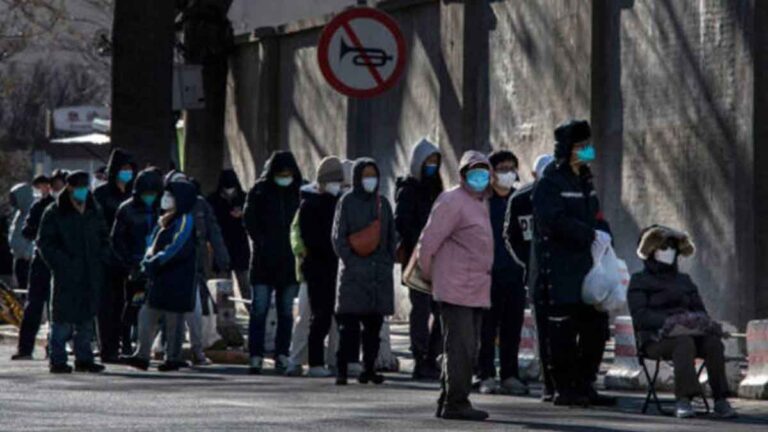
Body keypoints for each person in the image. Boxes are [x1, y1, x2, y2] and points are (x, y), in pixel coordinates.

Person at [532, 119, 615, 407]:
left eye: (589, 146)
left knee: (596, 327)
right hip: (561, 271)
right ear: (567, 149)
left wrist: (605, 236)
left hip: (589, 269)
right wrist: (587, 234)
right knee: (563, 332)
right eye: (582, 147)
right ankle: (564, 388)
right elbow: (552, 221)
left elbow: (597, 215)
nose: (588, 151)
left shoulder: (586, 181)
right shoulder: (550, 182)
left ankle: (586, 383)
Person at [628, 225, 737, 419]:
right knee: (683, 343)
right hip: (655, 339)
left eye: (672, 247)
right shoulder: (639, 280)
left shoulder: (684, 280)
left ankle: (721, 399)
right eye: (663, 247)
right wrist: (671, 321)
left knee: (713, 343)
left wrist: (696, 322)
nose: (668, 252)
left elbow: (700, 311)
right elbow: (640, 317)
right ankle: (683, 400)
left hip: (689, 333)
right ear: (651, 251)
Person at [418, 150, 493, 421]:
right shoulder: (452, 200)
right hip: (455, 287)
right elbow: (428, 242)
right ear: (462, 175)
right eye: (474, 171)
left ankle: (447, 397)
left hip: (474, 288)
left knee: (464, 347)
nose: (480, 177)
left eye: (484, 171)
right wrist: (430, 275)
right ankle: (456, 402)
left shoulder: (479, 202)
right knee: (461, 347)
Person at [332, 157, 396, 386]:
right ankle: (342, 369)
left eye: (374, 174)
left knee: (374, 327)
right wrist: (351, 260)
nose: (370, 179)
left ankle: (369, 368)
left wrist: (387, 261)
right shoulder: (346, 202)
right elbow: (338, 238)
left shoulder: (383, 203)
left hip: (378, 275)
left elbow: (391, 237)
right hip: (353, 275)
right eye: (366, 175)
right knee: (348, 327)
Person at [37, 171, 109, 374]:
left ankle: (84, 357)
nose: (83, 191)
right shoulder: (54, 212)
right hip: (66, 274)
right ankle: (57, 359)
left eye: (86, 187)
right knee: (62, 320)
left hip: (90, 272)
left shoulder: (94, 209)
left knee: (86, 319)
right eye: (79, 187)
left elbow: (104, 237)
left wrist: (102, 257)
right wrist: (63, 264)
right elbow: (45, 244)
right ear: (69, 188)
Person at [124, 180, 198, 372]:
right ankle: (142, 355)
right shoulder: (165, 219)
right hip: (159, 278)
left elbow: (176, 247)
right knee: (146, 316)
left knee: (174, 322)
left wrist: (155, 261)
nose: (165, 199)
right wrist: (147, 261)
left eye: (170, 195)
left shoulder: (185, 220)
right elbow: (152, 243)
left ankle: (173, 357)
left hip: (176, 279)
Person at [244, 151, 302, 374]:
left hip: (289, 262)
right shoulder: (259, 191)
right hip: (263, 262)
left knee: (286, 311)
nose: (285, 177)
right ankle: (256, 355)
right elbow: (249, 221)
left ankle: (281, 354)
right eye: (281, 173)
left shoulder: (298, 192)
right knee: (259, 309)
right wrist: (262, 242)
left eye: (288, 173)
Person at [476, 150, 529, 396]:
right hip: (488, 274)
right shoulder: (483, 202)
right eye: (502, 168)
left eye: (511, 168)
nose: (507, 173)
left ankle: (510, 374)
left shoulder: (519, 201)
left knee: (512, 327)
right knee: (487, 329)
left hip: (515, 274)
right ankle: (485, 374)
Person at [505, 154, 555, 400]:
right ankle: (549, 383)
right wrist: (527, 263)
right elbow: (511, 236)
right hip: (535, 275)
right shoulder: (521, 200)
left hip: (562, 274)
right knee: (544, 331)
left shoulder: (562, 198)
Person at [167, 171, 230, 366]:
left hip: (194, 266)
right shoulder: (165, 207)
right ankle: (164, 349)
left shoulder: (200, 205)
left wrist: (222, 258)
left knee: (195, 309)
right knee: (163, 313)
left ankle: (197, 349)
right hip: (167, 270)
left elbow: (213, 231)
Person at [394, 138, 444, 380]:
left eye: (436, 162)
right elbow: (402, 223)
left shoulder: (438, 188)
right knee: (421, 310)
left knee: (442, 309)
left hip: (439, 258)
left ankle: (434, 355)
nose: (432, 166)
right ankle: (420, 357)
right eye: (428, 162)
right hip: (416, 258)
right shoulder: (409, 189)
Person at [295, 156, 345, 378]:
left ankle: (329, 359)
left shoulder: (338, 202)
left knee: (332, 316)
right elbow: (310, 238)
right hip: (317, 267)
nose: (337, 185)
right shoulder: (310, 204)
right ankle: (314, 362)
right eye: (334, 181)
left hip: (335, 266)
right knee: (320, 315)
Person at [12, 171, 66, 360]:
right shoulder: (40, 206)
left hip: (62, 263)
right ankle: (25, 348)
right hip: (42, 261)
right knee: (34, 305)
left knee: (58, 307)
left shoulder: (72, 207)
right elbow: (27, 230)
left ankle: (56, 347)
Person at [112, 168, 163, 357]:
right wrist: (129, 263)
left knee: (157, 309)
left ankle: (151, 344)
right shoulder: (127, 209)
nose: (149, 197)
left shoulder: (162, 208)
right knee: (134, 305)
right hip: (135, 266)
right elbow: (117, 239)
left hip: (157, 266)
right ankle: (126, 341)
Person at [94, 148, 137, 362]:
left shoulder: (133, 195)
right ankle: (107, 348)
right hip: (104, 258)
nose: (127, 173)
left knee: (124, 304)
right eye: (123, 168)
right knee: (106, 305)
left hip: (127, 258)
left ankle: (123, 344)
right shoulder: (101, 195)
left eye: (130, 169)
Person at [207, 169, 250, 301]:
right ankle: (224, 315)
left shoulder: (244, 198)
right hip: (222, 244)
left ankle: (252, 312)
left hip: (240, 245)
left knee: (245, 284)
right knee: (223, 286)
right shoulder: (213, 200)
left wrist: (243, 215)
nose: (229, 191)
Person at [8, 183, 34, 293]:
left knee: (26, 288)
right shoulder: (19, 213)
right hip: (18, 258)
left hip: (27, 259)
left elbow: (35, 235)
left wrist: (29, 251)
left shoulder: (32, 213)